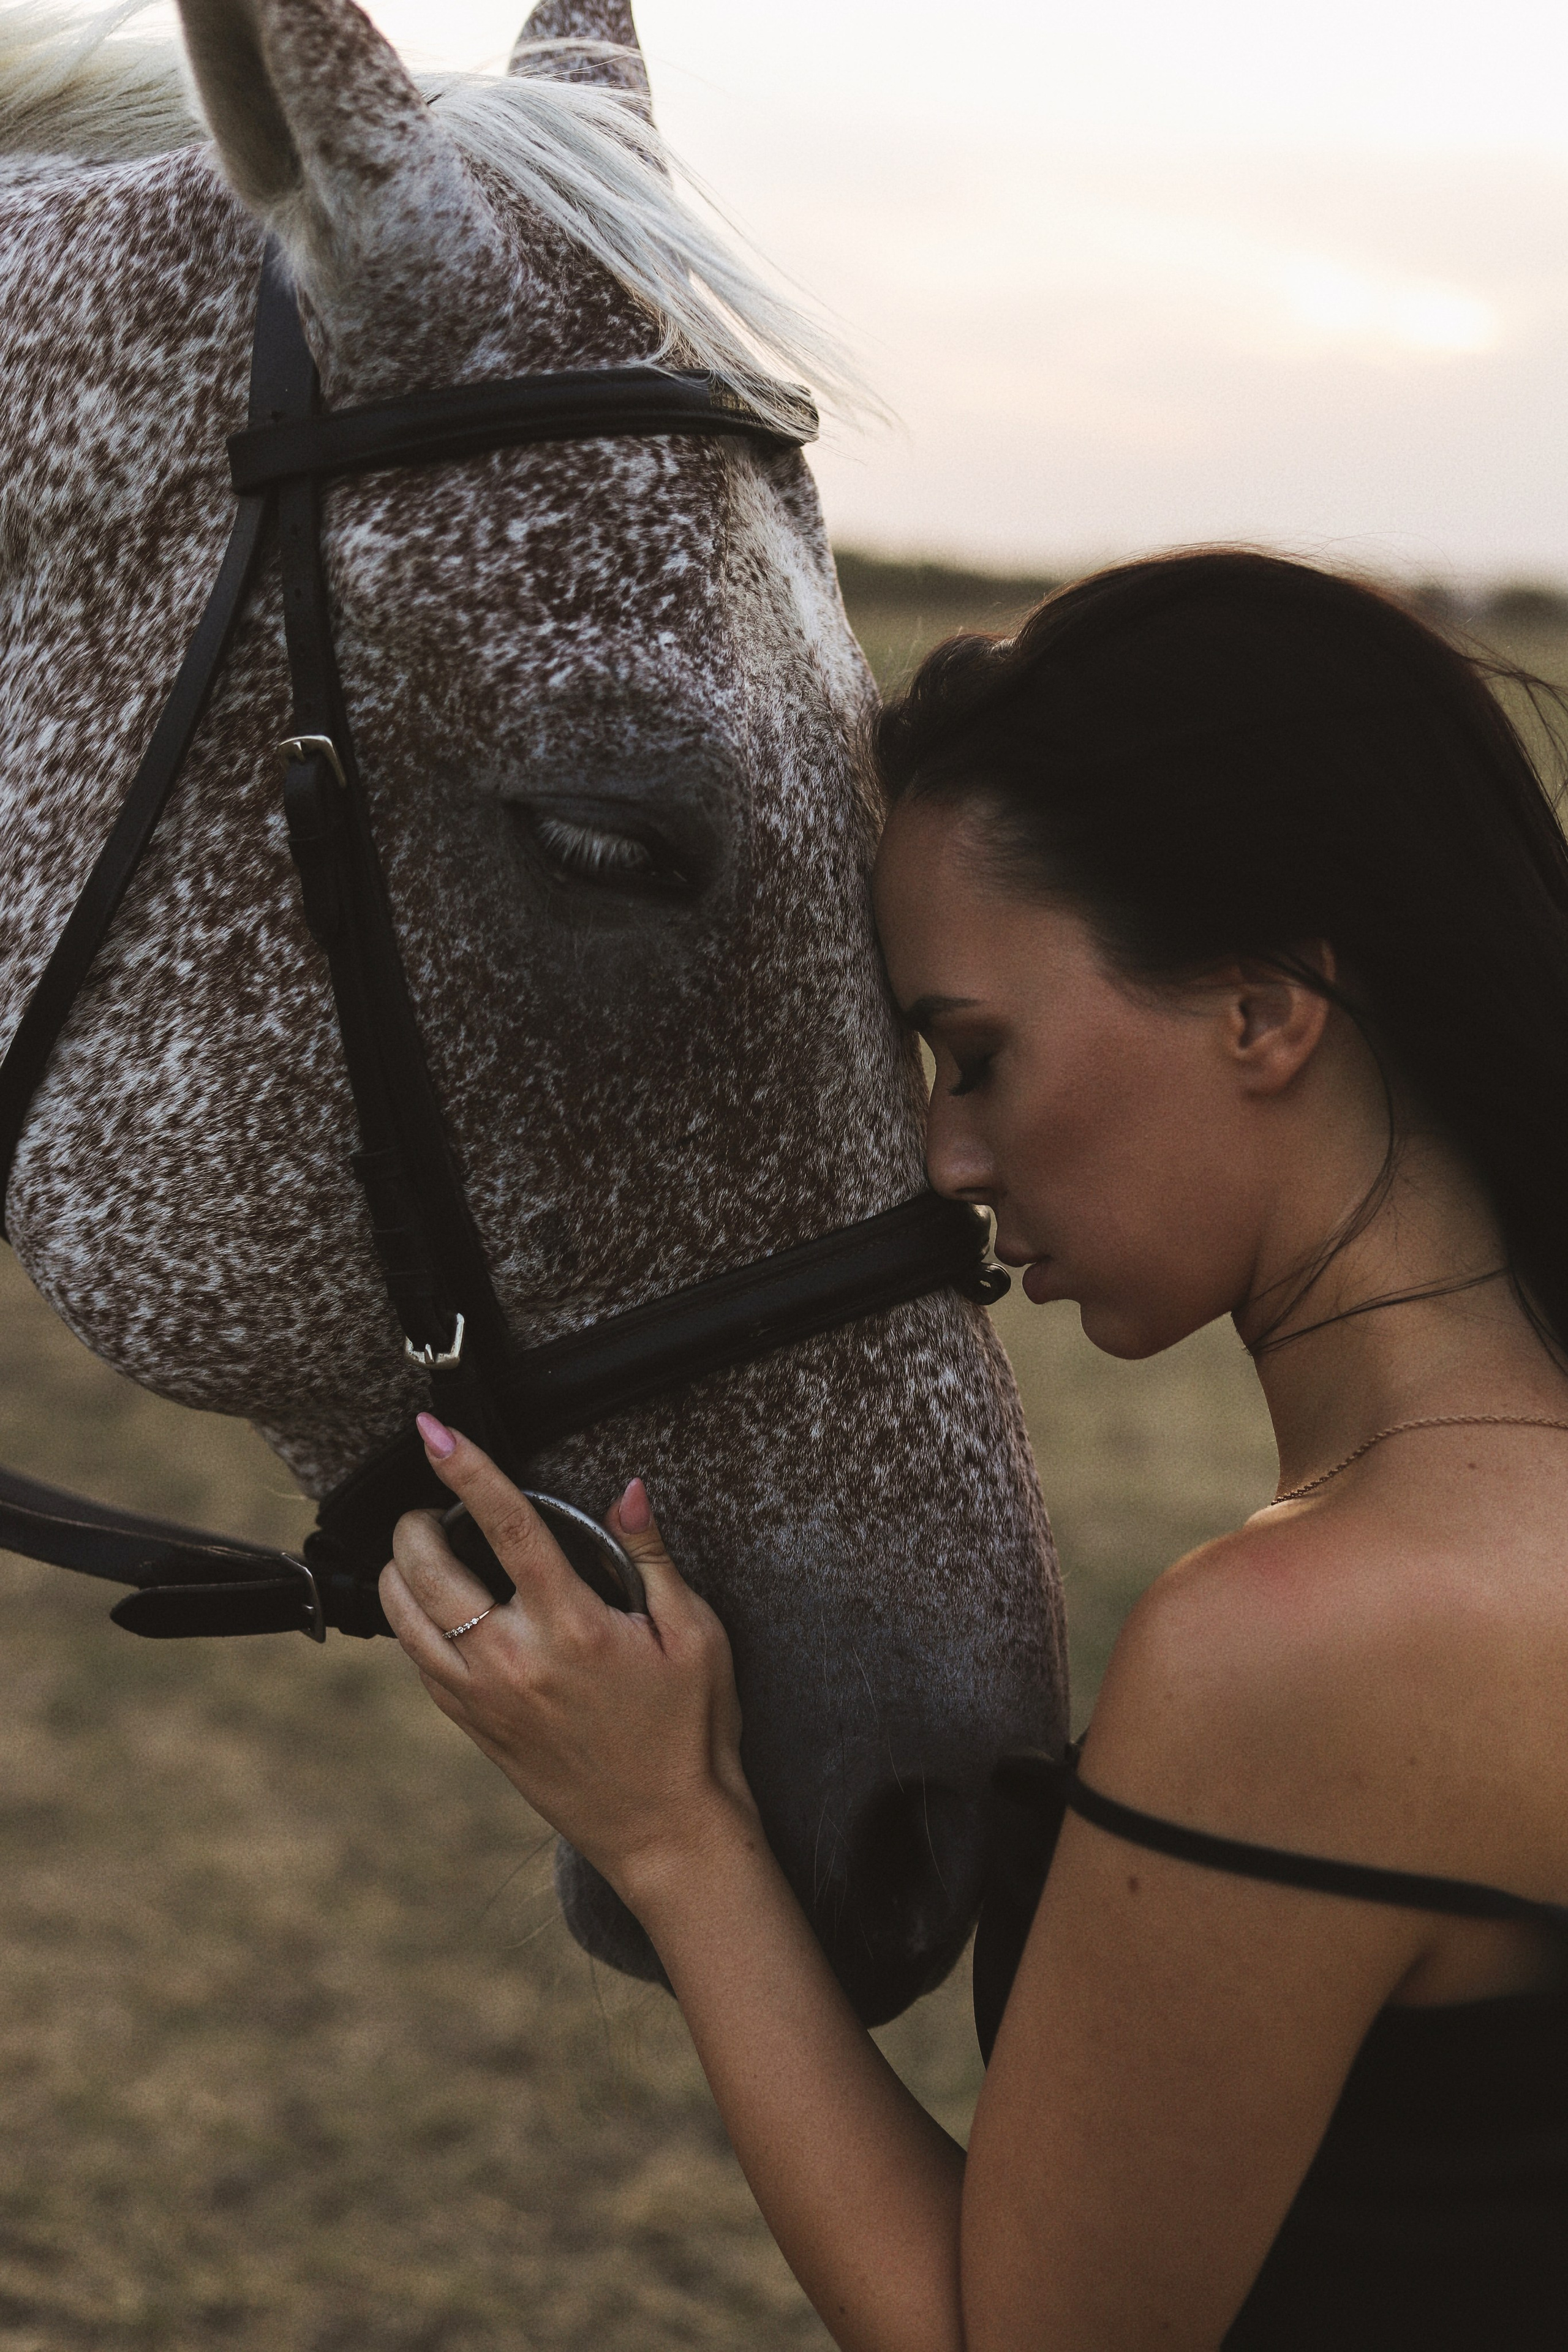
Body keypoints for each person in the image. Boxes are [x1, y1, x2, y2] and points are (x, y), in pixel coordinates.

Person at [378, 550, 1568, 2351]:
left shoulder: (1311, 1646)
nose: (945, 1160)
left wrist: (672, 1832)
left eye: (974, 1055)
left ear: (1264, 1009)